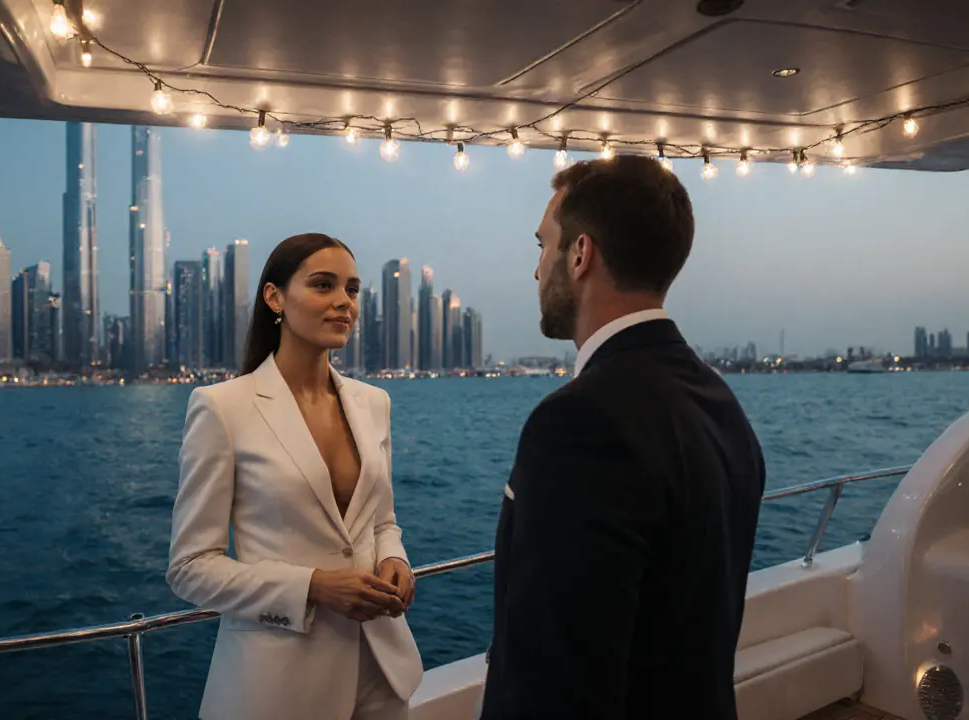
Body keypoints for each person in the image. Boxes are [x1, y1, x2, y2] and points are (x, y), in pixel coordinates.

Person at [480, 156, 766, 719]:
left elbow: (556, 679)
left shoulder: (577, 425)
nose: (538, 270)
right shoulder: (719, 403)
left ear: (580, 255)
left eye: (544, 246)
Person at [167, 233, 422, 720]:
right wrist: (312, 586)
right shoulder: (223, 407)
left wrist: (396, 562)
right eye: (323, 285)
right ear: (274, 297)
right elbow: (190, 567)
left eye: (352, 289)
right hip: (279, 688)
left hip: (382, 675)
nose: (343, 303)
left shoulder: (373, 403)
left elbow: (382, 520)